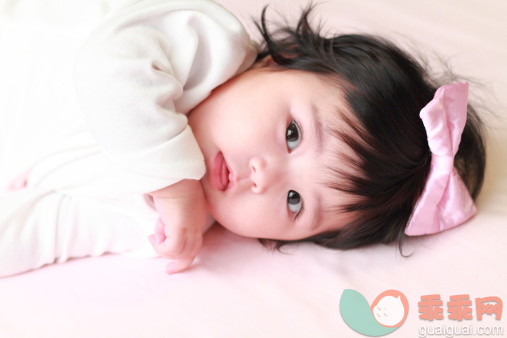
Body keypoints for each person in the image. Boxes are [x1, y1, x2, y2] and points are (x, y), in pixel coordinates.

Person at [0, 0, 486, 278]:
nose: (264, 176)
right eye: (293, 134)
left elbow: (42, 231)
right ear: (283, 59)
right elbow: (109, 65)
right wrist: (175, 184)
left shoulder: (161, 225)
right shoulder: (210, 48)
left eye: (295, 202)